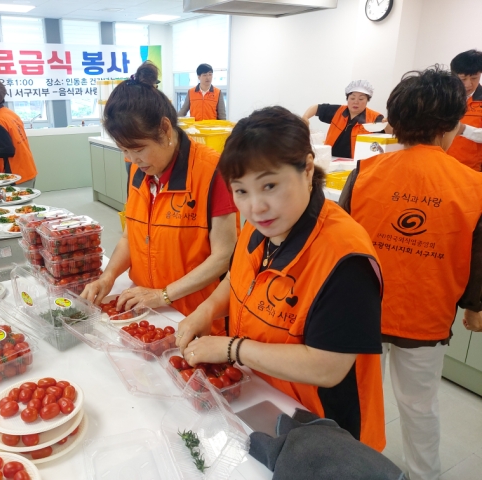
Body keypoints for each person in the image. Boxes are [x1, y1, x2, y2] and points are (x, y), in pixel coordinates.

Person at [176, 106, 386, 451]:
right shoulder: (264, 226)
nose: (256, 206)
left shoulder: (345, 258)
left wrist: (232, 348)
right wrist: (207, 310)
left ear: (306, 169)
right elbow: (240, 278)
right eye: (241, 191)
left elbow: (327, 367)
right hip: (264, 399)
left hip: (322, 427)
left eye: (269, 185)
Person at [339, 66, 482, 480]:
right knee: (420, 407)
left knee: (359, 401)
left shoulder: (365, 174)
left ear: (395, 123)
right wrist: (474, 308)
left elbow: (340, 244)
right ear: (454, 124)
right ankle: (425, 476)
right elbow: (477, 258)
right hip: (427, 318)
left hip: (363, 313)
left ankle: (353, 468)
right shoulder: (473, 187)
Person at [81, 62, 238, 335]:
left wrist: (164, 295)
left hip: (193, 318)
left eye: (138, 148)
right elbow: (130, 237)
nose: (130, 159)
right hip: (144, 312)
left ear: (165, 130)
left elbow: (224, 255)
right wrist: (108, 277)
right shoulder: (139, 170)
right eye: (123, 150)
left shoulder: (213, 171)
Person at [302, 80, 384, 158]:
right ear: (347, 99)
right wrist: (305, 117)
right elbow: (317, 108)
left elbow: (387, 140)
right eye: (352, 98)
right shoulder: (338, 111)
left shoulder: (375, 118)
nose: (356, 102)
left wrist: (389, 123)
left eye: (361, 99)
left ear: (367, 101)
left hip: (357, 163)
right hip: (331, 159)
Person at [447, 49, 482, 171]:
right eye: (463, 79)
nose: (468, 84)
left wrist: (463, 130)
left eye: (474, 78)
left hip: (471, 169)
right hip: (441, 165)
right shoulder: (443, 97)